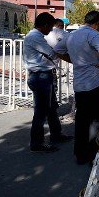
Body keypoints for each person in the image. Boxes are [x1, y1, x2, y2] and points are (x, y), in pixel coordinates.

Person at [64, 11, 99, 165]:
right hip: (96, 84)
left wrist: (77, 62)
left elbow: (57, 50)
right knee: (98, 120)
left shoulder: (71, 35)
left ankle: (81, 155)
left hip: (80, 86)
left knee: (82, 120)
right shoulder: (93, 34)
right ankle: (97, 156)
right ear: (97, 23)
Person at [24, 13, 73, 152]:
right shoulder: (35, 37)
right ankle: (37, 144)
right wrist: (72, 58)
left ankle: (56, 135)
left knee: (51, 108)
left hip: (44, 76)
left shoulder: (37, 36)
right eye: (50, 27)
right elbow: (51, 53)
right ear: (45, 25)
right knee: (41, 112)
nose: (51, 30)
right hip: (40, 77)